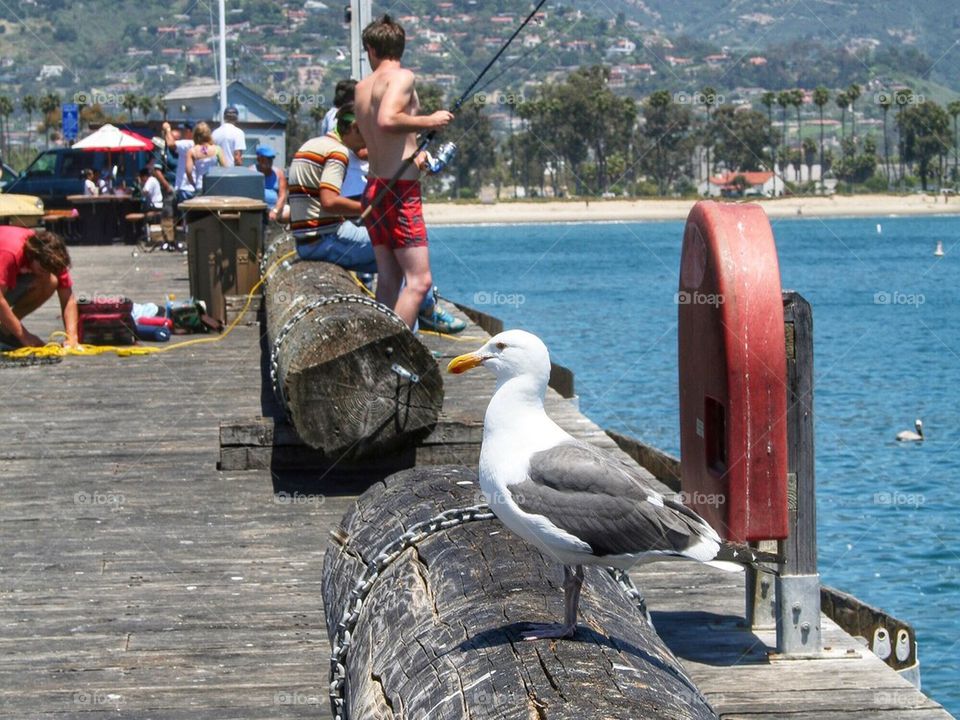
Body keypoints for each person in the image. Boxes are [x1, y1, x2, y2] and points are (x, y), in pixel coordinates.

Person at [354, 14, 463, 333]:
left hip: (374, 189)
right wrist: (431, 120)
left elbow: (378, 134)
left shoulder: (362, 88)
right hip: (399, 192)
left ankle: (374, 347)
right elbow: (388, 120)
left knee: (389, 279)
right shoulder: (401, 78)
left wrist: (415, 153)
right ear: (400, 47)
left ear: (371, 49)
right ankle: (390, 350)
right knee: (419, 281)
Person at [287, 103, 377, 273]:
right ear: (354, 128)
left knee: (387, 265)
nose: (367, 143)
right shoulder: (338, 152)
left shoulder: (313, 144)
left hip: (305, 243)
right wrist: (369, 209)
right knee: (399, 249)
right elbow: (329, 201)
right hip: (324, 241)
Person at [0, 227, 78, 348]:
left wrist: (72, 338)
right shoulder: (10, 253)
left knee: (50, 281)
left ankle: (5, 330)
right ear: (32, 255)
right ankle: (11, 328)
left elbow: (68, 298)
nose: (45, 274)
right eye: (42, 269)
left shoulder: (53, 256)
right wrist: (24, 336)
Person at [321, 79, 368, 201]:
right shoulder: (347, 118)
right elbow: (360, 152)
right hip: (353, 182)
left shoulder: (329, 115)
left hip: (340, 182)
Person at [185, 121, 225, 195]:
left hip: (200, 186)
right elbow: (225, 168)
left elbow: (188, 171)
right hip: (214, 186)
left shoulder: (192, 151)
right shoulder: (217, 149)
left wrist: (193, 183)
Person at [251, 146, 288, 223]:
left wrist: (275, 210)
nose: (269, 162)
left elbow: (282, 195)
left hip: (274, 209)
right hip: (256, 209)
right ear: (259, 159)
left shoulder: (278, 173)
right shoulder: (251, 172)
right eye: (266, 159)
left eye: (271, 159)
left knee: (288, 212)